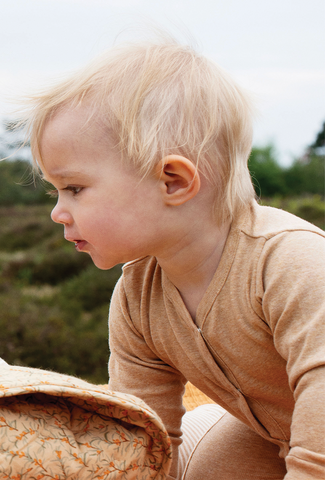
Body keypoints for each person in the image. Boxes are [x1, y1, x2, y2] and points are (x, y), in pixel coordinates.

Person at [16, 36, 325, 479]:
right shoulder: (138, 298)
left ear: (173, 182)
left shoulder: (292, 263)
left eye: (75, 188)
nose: (57, 211)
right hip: (278, 431)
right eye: (55, 191)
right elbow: (143, 438)